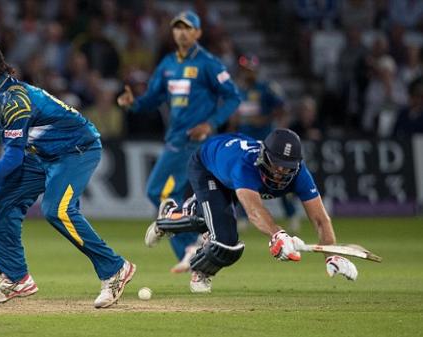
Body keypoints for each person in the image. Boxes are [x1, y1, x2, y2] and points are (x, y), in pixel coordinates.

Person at [0, 43, 135, 309]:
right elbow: (19, 151)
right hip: (42, 155)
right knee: (5, 202)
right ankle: (16, 278)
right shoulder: (0, 95)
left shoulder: (13, 102)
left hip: (76, 150)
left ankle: (115, 269)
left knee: (57, 210)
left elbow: (12, 157)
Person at [145, 129, 358, 293]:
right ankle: (171, 222)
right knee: (216, 231)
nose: (280, 173)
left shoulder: (301, 174)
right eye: (276, 165)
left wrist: (332, 255)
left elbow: (320, 219)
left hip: (227, 166)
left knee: (223, 236)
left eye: (287, 167)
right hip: (207, 166)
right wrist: (278, 234)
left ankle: (194, 254)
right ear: (264, 156)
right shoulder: (245, 165)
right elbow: (254, 211)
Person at [117, 11, 241, 273]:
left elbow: (233, 97)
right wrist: (133, 104)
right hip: (174, 140)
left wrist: (210, 123)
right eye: (177, 28)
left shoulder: (209, 63)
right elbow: (152, 99)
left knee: (161, 192)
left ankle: (190, 246)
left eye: (188, 28)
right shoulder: (168, 64)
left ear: (198, 33)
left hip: (196, 143)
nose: (182, 32)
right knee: (160, 193)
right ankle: (192, 246)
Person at [232, 54, 300, 231]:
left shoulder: (267, 88)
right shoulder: (237, 90)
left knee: (279, 177)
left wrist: (269, 122)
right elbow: (236, 116)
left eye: (251, 70)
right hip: (245, 143)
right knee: (241, 178)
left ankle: (291, 214)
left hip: (267, 144)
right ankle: (242, 217)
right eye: (246, 69)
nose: (248, 73)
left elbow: (283, 109)